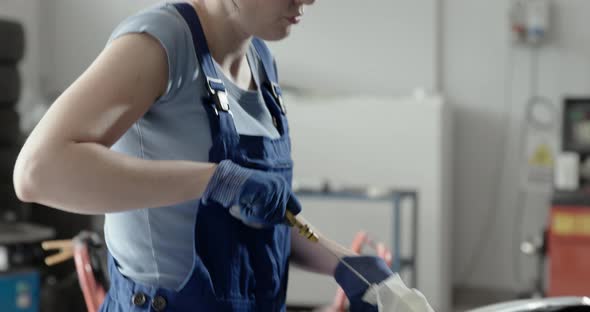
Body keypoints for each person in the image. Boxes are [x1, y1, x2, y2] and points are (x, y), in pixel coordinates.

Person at [14, 0, 394, 311]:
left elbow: (258, 212)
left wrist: (345, 265)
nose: (309, 1)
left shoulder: (261, 60)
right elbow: (37, 172)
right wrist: (214, 180)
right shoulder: (160, 43)